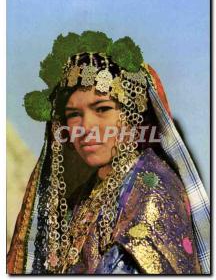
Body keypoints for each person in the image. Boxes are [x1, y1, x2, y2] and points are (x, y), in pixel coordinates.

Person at [7, 31, 210, 274]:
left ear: (132, 116)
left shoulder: (151, 189)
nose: (86, 128)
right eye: (73, 115)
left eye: (102, 109)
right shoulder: (90, 190)